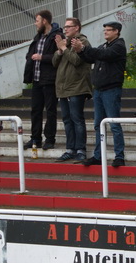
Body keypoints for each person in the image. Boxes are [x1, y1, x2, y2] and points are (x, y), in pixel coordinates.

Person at [75, 21, 127, 168]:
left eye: (109, 30)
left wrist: (84, 47)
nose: (105, 32)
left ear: (116, 31)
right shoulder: (103, 46)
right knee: (98, 125)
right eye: (105, 30)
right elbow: (91, 58)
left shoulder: (119, 46)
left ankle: (119, 156)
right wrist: (80, 51)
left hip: (111, 90)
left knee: (114, 124)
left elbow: (104, 55)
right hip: (99, 90)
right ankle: (98, 156)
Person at [52, 17, 93, 162]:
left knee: (77, 119)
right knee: (67, 120)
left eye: (68, 26)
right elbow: (54, 63)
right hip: (63, 88)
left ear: (77, 28)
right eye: (65, 27)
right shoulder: (65, 43)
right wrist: (60, 50)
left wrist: (64, 48)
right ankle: (70, 149)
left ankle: (81, 149)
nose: (65, 29)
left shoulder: (82, 41)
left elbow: (76, 60)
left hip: (77, 87)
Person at [23, 10, 63, 151]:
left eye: (37, 20)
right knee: (35, 110)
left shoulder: (57, 36)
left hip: (50, 79)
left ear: (44, 21)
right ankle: (35, 138)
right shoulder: (38, 37)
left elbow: (59, 55)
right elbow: (30, 54)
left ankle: (50, 139)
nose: (35, 23)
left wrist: (42, 57)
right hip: (37, 79)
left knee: (50, 110)